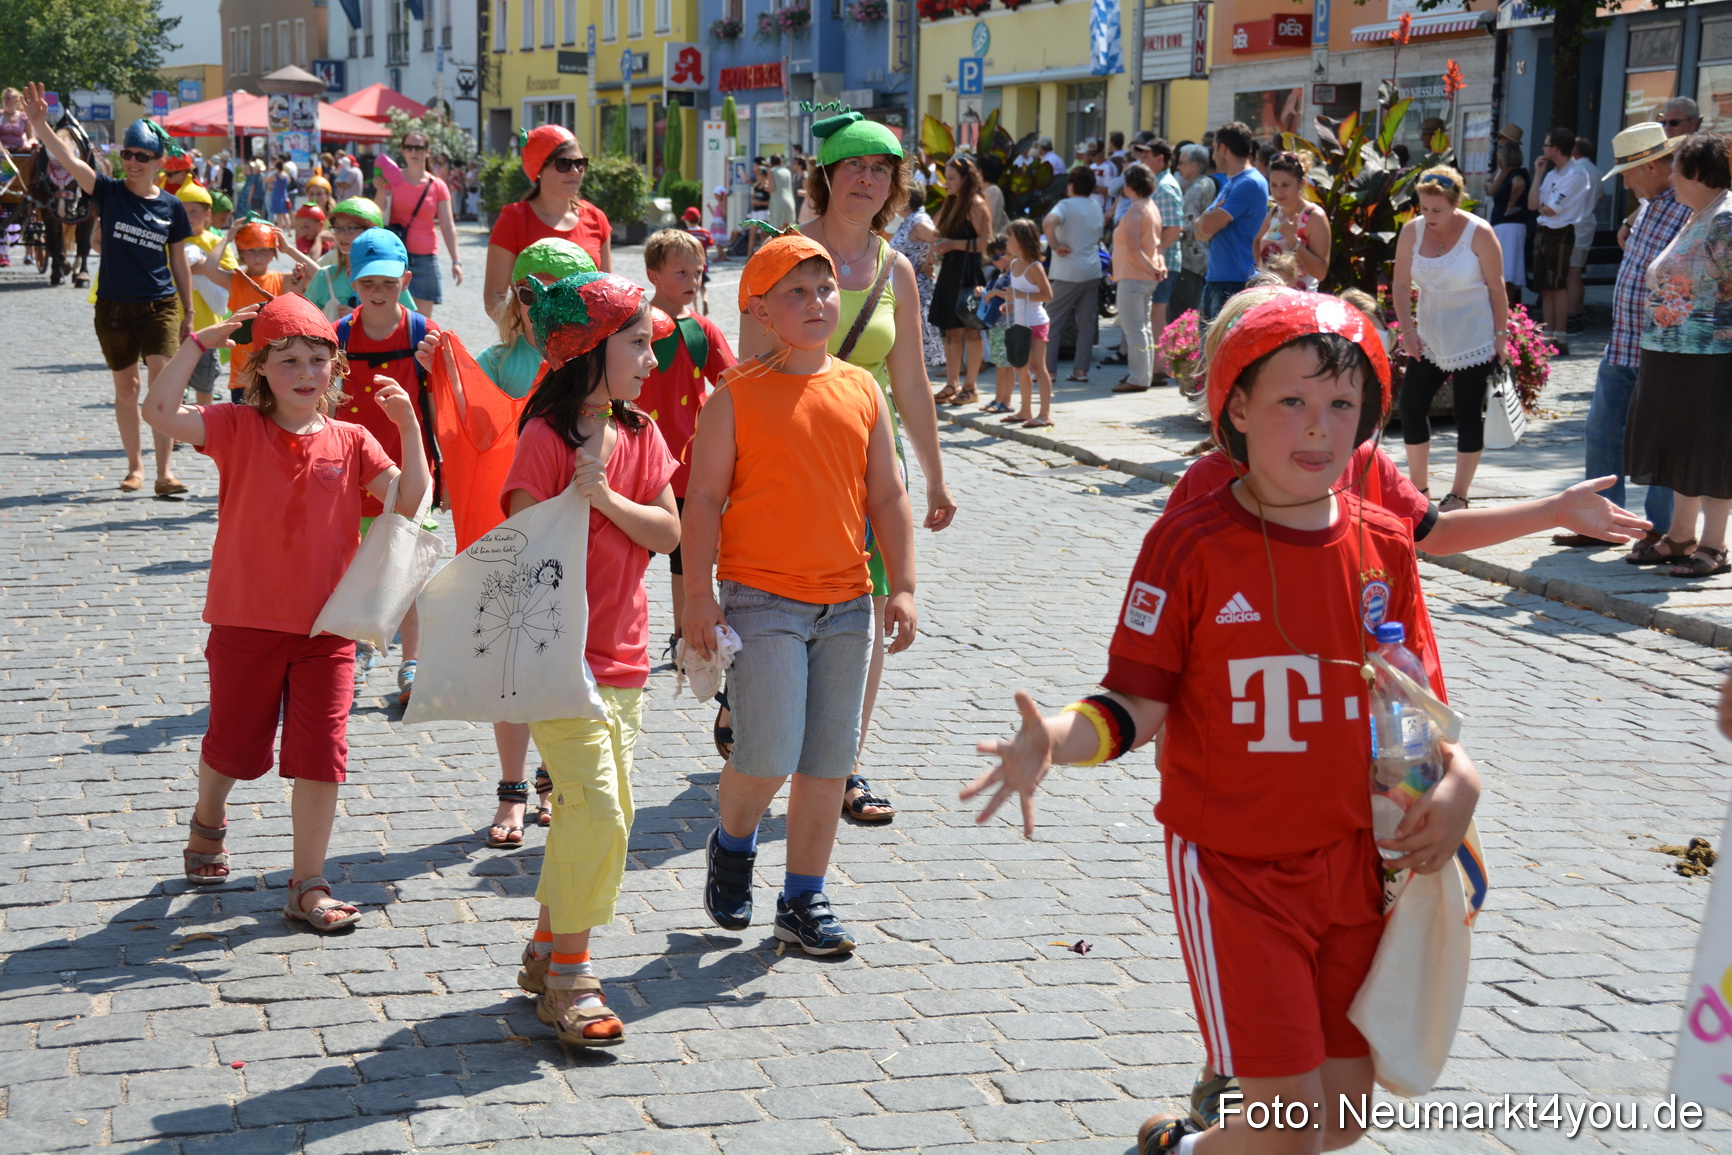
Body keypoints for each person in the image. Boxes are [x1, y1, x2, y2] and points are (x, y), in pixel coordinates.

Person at [965, 290, 1482, 1155]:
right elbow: (1133, 702)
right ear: (1236, 406)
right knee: (1289, 1132)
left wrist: (1462, 780)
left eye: (1341, 405)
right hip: (1235, 870)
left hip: (1354, 869)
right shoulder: (1190, 541)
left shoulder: (1385, 544)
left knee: (1340, 1121)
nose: (1319, 429)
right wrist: (1055, 737)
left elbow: (1415, 703)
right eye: (1292, 402)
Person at [143, 292, 429, 931]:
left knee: (322, 750)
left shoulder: (352, 440)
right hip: (245, 621)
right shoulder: (234, 425)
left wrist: (408, 426)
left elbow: (407, 503)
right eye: (288, 360)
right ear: (261, 371)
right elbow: (157, 410)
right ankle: (208, 819)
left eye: (317, 359)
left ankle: (308, 883)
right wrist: (201, 342)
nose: (305, 373)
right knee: (235, 746)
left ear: (335, 368)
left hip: (330, 629)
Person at [684, 233, 917, 955]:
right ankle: (733, 839)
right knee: (765, 754)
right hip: (762, 602)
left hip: (847, 603)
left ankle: (803, 898)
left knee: (826, 763)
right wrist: (697, 596)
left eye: (823, 289)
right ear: (760, 309)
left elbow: (888, 494)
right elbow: (702, 502)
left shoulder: (860, 387)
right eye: (796, 292)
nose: (816, 303)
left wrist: (902, 585)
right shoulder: (735, 395)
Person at [735, 108, 957, 823]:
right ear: (826, 174)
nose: (868, 178)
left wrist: (935, 475)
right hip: (794, 453)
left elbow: (914, 385)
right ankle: (755, 708)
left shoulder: (896, 269)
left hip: (869, 456)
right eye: (856, 165)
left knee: (866, 602)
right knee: (782, 595)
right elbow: (750, 366)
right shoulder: (784, 256)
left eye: (882, 168)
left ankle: (846, 760)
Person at [500, 272, 679, 1047]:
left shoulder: (644, 433)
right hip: (555, 663)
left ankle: (544, 947)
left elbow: (669, 534)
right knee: (599, 811)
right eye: (637, 344)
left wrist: (605, 498)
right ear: (589, 350)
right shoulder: (543, 439)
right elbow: (520, 555)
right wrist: (571, 499)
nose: (650, 359)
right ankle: (571, 975)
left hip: (627, 659)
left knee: (601, 813)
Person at [415, 239, 597, 847]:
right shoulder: (496, 361)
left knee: (565, 657)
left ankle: (554, 778)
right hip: (514, 534)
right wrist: (440, 371)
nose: (546, 312)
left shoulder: (591, 361)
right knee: (512, 664)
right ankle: (513, 787)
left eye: (563, 302)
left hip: (577, 532)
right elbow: (473, 429)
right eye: (535, 297)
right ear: (518, 302)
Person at [23, 88, 193, 495]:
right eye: (128, 154)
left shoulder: (172, 207)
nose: (132, 162)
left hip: (160, 306)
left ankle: (164, 472)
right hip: (114, 307)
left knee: (160, 383)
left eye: (142, 156)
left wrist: (188, 311)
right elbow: (68, 160)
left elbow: (180, 262)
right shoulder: (108, 191)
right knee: (127, 388)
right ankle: (135, 466)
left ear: (158, 162)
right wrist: (40, 125)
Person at [1555, 124, 1686, 558]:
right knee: (1601, 431)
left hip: (1660, 346)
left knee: (1660, 440)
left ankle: (1661, 530)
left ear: (1653, 166)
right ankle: (1603, 523)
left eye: (1629, 172)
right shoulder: (1649, 204)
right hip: (1624, 343)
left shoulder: (1686, 206)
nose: (1625, 182)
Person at [333, 229, 442, 695]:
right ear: (352, 284)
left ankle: (412, 662)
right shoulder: (337, 334)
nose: (378, 293)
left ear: (406, 280)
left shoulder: (423, 334)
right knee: (353, 567)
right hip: (350, 476)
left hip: (409, 472)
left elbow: (445, 408)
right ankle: (356, 653)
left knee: (409, 573)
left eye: (388, 283)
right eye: (368, 283)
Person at [1626, 132, 1732, 578]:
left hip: (1710, 353)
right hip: (1671, 352)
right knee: (1681, 445)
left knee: (1711, 448)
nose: (1669, 176)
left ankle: (1714, 545)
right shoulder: (1697, 215)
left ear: (1696, 173)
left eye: (1676, 168)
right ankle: (1680, 536)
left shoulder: (1725, 218)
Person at [639, 228, 737, 646]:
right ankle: (616, 628)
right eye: (681, 272)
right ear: (653, 274)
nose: (692, 281)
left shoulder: (703, 329)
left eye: (697, 272)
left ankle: (684, 633)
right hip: (640, 463)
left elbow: (734, 380)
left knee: (687, 559)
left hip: (691, 467)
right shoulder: (634, 324)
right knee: (629, 557)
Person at [1392, 165, 1509, 511]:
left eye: (1437, 210)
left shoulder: (1479, 232)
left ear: (1456, 203)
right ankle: (1419, 489)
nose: (1428, 216)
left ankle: (1459, 494)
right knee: (1411, 407)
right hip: (1429, 336)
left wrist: (1501, 336)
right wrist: (1408, 331)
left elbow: (1497, 287)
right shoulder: (1412, 232)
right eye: (1423, 208)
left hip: (1473, 334)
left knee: (1466, 413)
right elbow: (1400, 285)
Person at [485, 124, 612, 315]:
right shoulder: (514, 219)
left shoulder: (596, 218)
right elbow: (495, 297)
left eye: (580, 163)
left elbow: (608, 291)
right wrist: (530, 334)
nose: (575, 171)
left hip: (588, 341)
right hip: (532, 340)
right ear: (539, 169)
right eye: (564, 164)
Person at [195, 217, 319, 402]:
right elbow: (209, 268)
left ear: (273, 253)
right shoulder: (235, 280)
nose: (258, 256)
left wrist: (288, 249)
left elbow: (318, 275)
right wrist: (227, 238)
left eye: (263, 251)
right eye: (251, 251)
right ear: (241, 254)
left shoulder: (283, 280)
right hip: (242, 374)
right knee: (246, 428)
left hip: (275, 371)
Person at [928, 154, 994, 404]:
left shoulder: (976, 203)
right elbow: (937, 228)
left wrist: (952, 243)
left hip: (968, 272)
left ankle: (971, 387)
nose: (947, 183)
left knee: (971, 329)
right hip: (951, 271)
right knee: (951, 330)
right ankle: (952, 383)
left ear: (967, 179)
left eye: (952, 178)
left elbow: (985, 242)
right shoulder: (952, 201)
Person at [378, 129, 463, 317]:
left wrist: (456, 261)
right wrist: (380, 191)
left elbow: (448, 226)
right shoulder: (392, 180)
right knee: (394, 317)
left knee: (422, 322)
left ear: (427, 151)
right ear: (403, 151)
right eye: (409, 147)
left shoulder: (437, 185)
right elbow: (376, 215)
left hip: (426, 258)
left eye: (419, 147)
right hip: (396, 257)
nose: (414, 152)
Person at [1194, 122, 1269, 320]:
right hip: (1219, 280)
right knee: (1208, 348)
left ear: (1223, 149)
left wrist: (1209, 221)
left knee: (1221, 349)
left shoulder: (1249, 182)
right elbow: (1199, 230)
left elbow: (1205, 226)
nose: (1212, 156)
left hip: (1235, 283)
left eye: (1214, 149)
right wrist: (1209, 222)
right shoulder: (1232, 182)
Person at [1527, 126, 1591, 353]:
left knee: (1558, 284)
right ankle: (1548, 335)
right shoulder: (1553, 174)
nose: (1542, 149)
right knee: (1545, 286)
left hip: (1561, 232)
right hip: (1543, 232)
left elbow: (1552, 209)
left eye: (1545, 145)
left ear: (1554, 148)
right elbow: (1534, 205)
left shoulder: (1576, 174)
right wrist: (1538, 173)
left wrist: (1545, 208)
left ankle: (1560, 336)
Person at [303, 196, 418, 320]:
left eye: (351, 228)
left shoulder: (392, 277)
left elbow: (408, 321)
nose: (342, 234)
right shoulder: (324, 276)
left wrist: (358, 317)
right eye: (337, 228)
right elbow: (304, 320)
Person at [1042, 165, 1106, 382]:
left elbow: (1048, 222)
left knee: (1051, 321)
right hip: (1092, 270)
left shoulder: (1065, 205)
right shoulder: (1096, 206)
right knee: (1086, 325)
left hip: (1067, 271)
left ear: (1071, 185)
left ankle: (1048, 371)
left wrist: (1055, 244)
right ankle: (1081, 371)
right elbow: (1098, 237)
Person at [175, 182, 236, 406]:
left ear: (207, 214)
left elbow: (232, 277)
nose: (188, 216)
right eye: (182, 211)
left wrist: (201, 267)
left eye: (194, 211)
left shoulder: (214, 242)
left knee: (204, 386)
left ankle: (204, 434)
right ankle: (174, 436)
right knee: (174, 387)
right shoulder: (170, 241)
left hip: (206, 328)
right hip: (173, 325)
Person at [1111, 162, 1168, 394]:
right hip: (1145, 275)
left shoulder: (1135, 209)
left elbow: (1134, 247)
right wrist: (1157, 267)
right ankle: (1143, 375)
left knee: (1134, 328)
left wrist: (1151, 267)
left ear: (1129, 186)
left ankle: (1138, 377)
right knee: (1142, 328)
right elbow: (1154, 244)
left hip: (1133, 274)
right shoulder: (1151, 206)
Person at [995, 218, 1054, 427]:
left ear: (1019, 240)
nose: (1007, 241)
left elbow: (1048, 295)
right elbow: (1020, 296)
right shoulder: (1013, 264)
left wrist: (1019, 295)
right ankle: (1025, 410)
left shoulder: (1035, 267)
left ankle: (1045, 414)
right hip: (1020, 322)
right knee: (1021, 366)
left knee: (1039, 367)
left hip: (1036, 322)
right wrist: (1009, 305)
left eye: (1010, 237)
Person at [887, 185, 943, 374]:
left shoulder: (918, 221)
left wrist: (930, 263)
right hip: (909, 286)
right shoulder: (911, 219)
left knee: (913, 337)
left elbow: (939, 238)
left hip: (917, 286)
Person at [1256, 151, 1330, 290]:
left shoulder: (1314, 217)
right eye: (1274, 185)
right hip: (1270, 299)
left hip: (1300, 303)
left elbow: (1321, 273)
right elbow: (1257, 241)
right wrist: (1262, 274)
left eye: (1285, 185)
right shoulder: (1275, 212)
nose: (1278, 192)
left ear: (1301, 184)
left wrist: (1293, 241)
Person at [1171, 144, 1216, 320]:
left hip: (1190, 260)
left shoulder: (1197, 188)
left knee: (1182, 313)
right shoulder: (1205, 183)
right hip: (1200, 258)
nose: (1178, 167)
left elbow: (1188, 225)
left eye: (1182, 163)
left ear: (1195, 165)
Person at [1487, 138, 1531, 308]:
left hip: (1509, 225)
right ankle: (1505, 309)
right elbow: (1491, 189)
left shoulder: (1517, 174)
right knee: (1503, 270)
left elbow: (1519, 184)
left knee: (1506, 272)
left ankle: (1508, 309)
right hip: (1503, 224)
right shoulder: (1506, 172)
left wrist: (1511, 204)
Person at [1568, 137, 1604, 332]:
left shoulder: (1577, 170)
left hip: (1575, 225)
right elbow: (1600, 195)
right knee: (1576, 272)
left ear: (1575, 151)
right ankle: (1577, 312)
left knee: (1572, 274)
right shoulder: (1595, 170)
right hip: (1587, 224)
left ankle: (1572, 317)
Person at [768, 154, 796, 229]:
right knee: (788, 228)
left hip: (778, 201)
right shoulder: (787, 171)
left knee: (778, 230)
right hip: (790, 201)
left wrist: (766, 187)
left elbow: (771, 188)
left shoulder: (772, 171)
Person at [267, 158, 292, 229]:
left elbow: (266, 180)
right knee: (285, 214)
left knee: (279, 216)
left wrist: (270, 171)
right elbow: (289, 181)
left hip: (277, 196)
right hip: (285, 196)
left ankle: (280, 230)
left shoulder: (276, 176)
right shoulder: (286, 176)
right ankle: (289, 230)